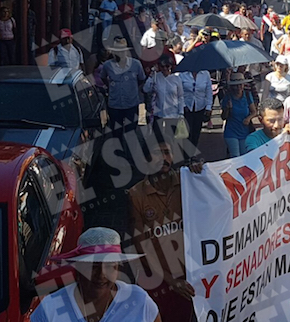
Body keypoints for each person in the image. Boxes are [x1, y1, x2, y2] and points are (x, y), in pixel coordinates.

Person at [128, 129, 203, 322]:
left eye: (167, 152)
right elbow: (140, 247)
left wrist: (202, 173)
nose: (164, 158)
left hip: (189, 273)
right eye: (157, 153)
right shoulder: (136, 195)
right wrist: (171, 281)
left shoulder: (189, 182)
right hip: (157, 277)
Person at [30, 227, 160, 322]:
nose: (101, 275)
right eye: (93, 266)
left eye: (109, 266)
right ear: (78, 268)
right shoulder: (50, 309)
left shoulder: (139, 301)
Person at [100, 38, 146, 147]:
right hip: (115, 105)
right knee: (116, 133)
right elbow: (103, 77)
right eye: (117, 51)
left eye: (122, 51)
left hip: (132, 103)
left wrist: (132, 89)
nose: (120, 53)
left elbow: (141, 79)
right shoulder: (107, 65)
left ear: (126, 51)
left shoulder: (136, 64)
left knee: (131, 133)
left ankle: (131, 156)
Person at [220, 73, 258, 158]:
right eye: (236, 86)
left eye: (241, 85)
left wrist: (248, 118)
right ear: (232, 87)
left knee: (244, 156)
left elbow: (254, 112)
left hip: (244, 131)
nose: (239, 88)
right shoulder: (228, 97)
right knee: (235, 156)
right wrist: (228, 109)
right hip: (231, 132)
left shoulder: (247, 95)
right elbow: (223, 117)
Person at [179, 67, 213, 152]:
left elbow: (209, 91)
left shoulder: (205, 74)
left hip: (200, 107)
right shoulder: (182, 74)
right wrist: (183, 105)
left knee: (196, 132)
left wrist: (209, 107)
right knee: (187, 133)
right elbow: (179, 92)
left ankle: (192, 153)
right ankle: (186, 155)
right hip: (186, 108)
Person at [143, 55, 184, 124]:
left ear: (171, 66)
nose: (165, 69)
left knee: (170, 134)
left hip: (172, 113)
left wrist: (181, 113)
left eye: (167, 66)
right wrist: (151, 74)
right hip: (158, 113)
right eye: (162, 66)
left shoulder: (176, 79)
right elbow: (146, 89)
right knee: (157, 134)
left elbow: (180, 96)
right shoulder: (156, 77)